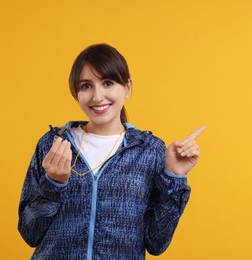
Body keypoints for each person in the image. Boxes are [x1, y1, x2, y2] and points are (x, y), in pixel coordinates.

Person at [18, 43, 206, 259]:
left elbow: (157, 242)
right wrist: (53, 184)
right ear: (75, 93)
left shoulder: (149, 150)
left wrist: (175, 177)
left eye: (108, 83)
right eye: (86, 86)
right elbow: (29, 233)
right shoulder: (53, 144)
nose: (97, 97)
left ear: (127, 87)